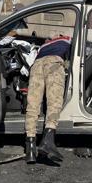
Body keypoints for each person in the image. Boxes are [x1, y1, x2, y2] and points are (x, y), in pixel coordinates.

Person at [25, 33, 71, 164]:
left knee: (32, 106)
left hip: (36, 66)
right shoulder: (67, 40)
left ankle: (30, 150)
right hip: (54, 63)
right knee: (54, 102)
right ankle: (47, 141)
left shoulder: (42, 47)